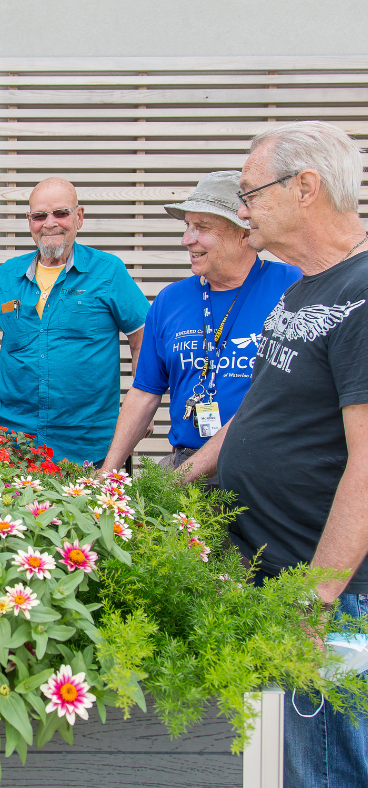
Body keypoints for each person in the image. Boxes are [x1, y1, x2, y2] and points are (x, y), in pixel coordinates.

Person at [181, 121, 368, 788]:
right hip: (268, 575)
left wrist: (314, 602)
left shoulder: (363, 295)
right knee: (282, 761)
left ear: (306, 189)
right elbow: (257, 410)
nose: (243, 208)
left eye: (250, 193)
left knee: (325, 765)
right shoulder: (300, 290)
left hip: (323, 597)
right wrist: (187, 475)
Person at [100, 172, 301, 477]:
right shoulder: (170, 299)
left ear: (244, 233)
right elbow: (145, 393)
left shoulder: (294, 287)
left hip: (267, 471)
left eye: (202, 228)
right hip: (186, 466)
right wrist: (108, 471)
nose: (187, 240)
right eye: (187, 227)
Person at [0, 177, 150, 464]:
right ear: (30, 222)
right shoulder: (8, 275)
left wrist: (143, 404)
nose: (49, 223)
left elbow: (142, 337)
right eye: (39, 215)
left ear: (79, 217)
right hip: (15, 441)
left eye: (61, 213)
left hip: (87, 444)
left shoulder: (108, 271)